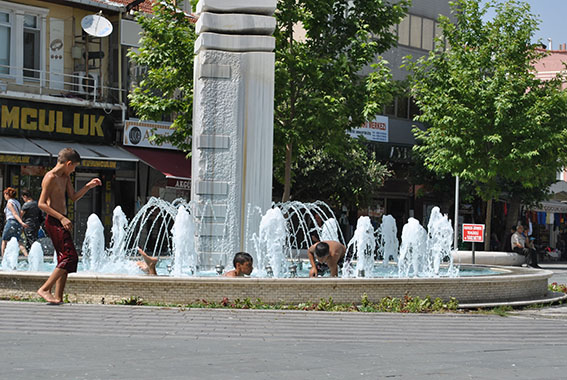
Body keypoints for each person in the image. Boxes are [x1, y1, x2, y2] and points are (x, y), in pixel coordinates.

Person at [36, 148, 101, 304]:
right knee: (70, 256)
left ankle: (58, 296)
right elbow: (41, 204)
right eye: (74, 167)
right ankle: (45, 289)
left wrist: (88, 186)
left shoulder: (65, 177)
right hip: (53, 221)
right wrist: (61, 218)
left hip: (62, 220)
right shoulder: (50, 177)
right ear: (68, 163)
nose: (74, 170)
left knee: (63, 258)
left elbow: (73, 197)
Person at [2, 187, 29, 257]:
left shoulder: (9, 203)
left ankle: (3, 258)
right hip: (17, 223)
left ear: (7, 195)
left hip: (11, 222)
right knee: (18, 241)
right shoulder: (17, 203)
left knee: (4, 240)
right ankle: (27, 256)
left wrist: (21, 222)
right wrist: (20, 222)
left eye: (5, 194)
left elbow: (14, 214)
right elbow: (19, 214)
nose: (4, 196)